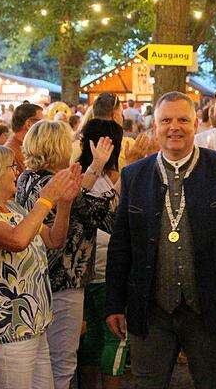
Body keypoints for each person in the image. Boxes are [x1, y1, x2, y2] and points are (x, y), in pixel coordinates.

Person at [105, 91, 216, 389]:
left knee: (212, 383)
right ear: (154, 126)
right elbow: (121, 246)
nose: (174, 127)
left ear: (196, 124)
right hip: (151, 309)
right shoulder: (134, 175)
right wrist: (114, 303)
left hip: (208, 308)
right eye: (166, 120)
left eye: (183, 119)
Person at [0, 143, 82, 389]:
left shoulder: (13, 208)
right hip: (5, 329)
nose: (17, 172)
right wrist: (46, 199)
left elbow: (54, 240)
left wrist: (64, 204)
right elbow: (17, 240)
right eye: (11, 167)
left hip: (33, 324)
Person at [14, 120, 114, 389]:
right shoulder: (52, 183)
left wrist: (95, 166)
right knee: (62, 362)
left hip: (38, 279)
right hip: (64, 280)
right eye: (69, 142)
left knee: (44, 360)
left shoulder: (28, 178)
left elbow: (76, 193)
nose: (73, 147)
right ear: (57, 146)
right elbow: (99, 213)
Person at [77, 119, 128, 389]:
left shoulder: (86, 173)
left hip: (88, 268)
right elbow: (112, 211)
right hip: (105, 266)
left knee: (94, 335)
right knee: (115, 335)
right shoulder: (92, 177)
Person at [5, 103, 43, 173]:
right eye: (41, 123)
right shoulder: (10, 152)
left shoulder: (26, 146)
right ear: (29, 124)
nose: (44, 127)